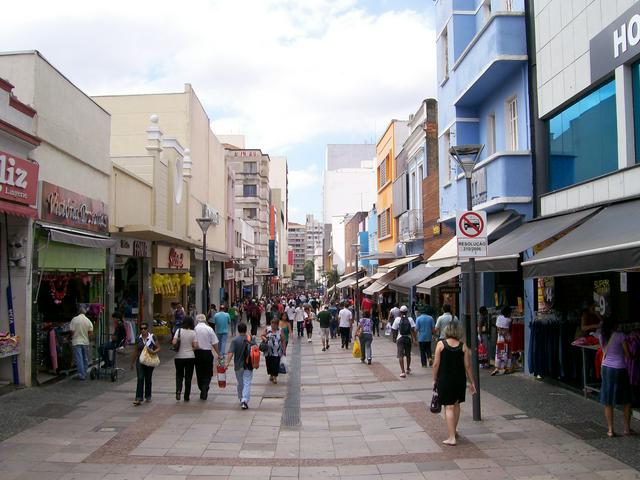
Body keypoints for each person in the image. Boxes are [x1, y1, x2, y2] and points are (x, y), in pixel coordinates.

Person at [432, 321, 477, 446]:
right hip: (459, 379)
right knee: (456, 405)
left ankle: (451, 437)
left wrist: (434, 379)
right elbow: (467, 366)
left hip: (445, 379)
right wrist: (472, 382)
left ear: (446, 331)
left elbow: (436, 364)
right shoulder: (463, 346)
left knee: (448, 407)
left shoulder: (441, 344)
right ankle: (454, 430)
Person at [599, 317, 633, 437]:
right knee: (626, 399)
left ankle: (610, 430)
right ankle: (627, 429)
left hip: (606, 368)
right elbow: (628, 354)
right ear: (615, 325)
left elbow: (604, 351)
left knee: (608, 400)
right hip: (620, 369)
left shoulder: (602, 336)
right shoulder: (620, 335)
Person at [226, 322, 256, 409]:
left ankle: (241, 398)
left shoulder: (235, 340)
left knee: (240, 383)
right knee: (247, 382)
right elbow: (255, 351)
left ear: (238, 330)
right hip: (248, 365)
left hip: (238, 366)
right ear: (246, 329)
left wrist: (227, 363)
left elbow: (231, 352)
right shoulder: (250, 338)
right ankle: (244, 400)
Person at [130, 322, 160, 405]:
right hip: (140, 361)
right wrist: (132, 363)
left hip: (149, 361)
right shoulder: (138, 338)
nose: (143, 330)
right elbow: (135, 351)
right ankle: (138, 398)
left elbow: (158, 348)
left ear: (147, 329)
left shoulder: (152, 337)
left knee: (148, 378)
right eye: (141, 329)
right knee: (140, 378)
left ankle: (148, 395)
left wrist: (153, 352)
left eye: (145, 328)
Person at [194, 313, 220, 400]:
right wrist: (218, 353)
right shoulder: (209, 329)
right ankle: (205, 386)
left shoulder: (195, 329)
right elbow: (215, 343)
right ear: (205, 320)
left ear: (197, 320)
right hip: (207, 353)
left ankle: (202, 387)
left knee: (199, 372)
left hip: (197, 354)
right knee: (208, 372)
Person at [172, 316, 198, 402]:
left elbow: (174, 342)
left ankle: (178, 390)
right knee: (188, 377)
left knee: (179, 375)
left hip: (179, 357)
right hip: (190, 357)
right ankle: (186, 396)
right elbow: (195, 346)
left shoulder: (178, 331)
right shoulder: (193, 333)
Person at [391, 306, 416, 378]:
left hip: (400, 338)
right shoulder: (410, 319)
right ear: (407, 312)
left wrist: (394, 338)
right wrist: (415, 339)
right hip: (408, 338)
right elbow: (413, 329)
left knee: (400, 355)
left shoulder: (397, 319)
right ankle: (408, 368)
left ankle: (402, 372)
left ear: (400, 312)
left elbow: (394, 329)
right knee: (408, 354)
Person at [70, 306, 93, 380]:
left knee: (79, 359)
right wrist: (86, 336)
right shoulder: (88, 320)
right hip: (85, 341)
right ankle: (84, 373)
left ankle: (81, 374)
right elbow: (90, 333)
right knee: (85, 358)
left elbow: (72, 332)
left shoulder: (74, 319)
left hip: (76, 341)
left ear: (78, 312)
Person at [262, 318, 286, 384]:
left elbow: (283, 340)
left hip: (277, 351)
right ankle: (271, 375)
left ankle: (275, 377)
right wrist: (265, 339)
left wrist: (284, 350)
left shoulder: (280, 330)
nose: (273, 325)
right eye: (272, 323)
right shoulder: (267, 329)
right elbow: (262, 335)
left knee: (276, 364)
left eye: (275, 324)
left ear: (277, 324)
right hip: (268, 351)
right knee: (269, 363)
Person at [491, 305, 512, 376]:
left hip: (499, 339)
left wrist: (500, 331)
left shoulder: (498, 318)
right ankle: (507, 368)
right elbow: (507, 330)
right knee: (508, 353)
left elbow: (498, 329)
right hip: (506, 339)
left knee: (499, 353)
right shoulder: (509, 320)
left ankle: (497, 368)